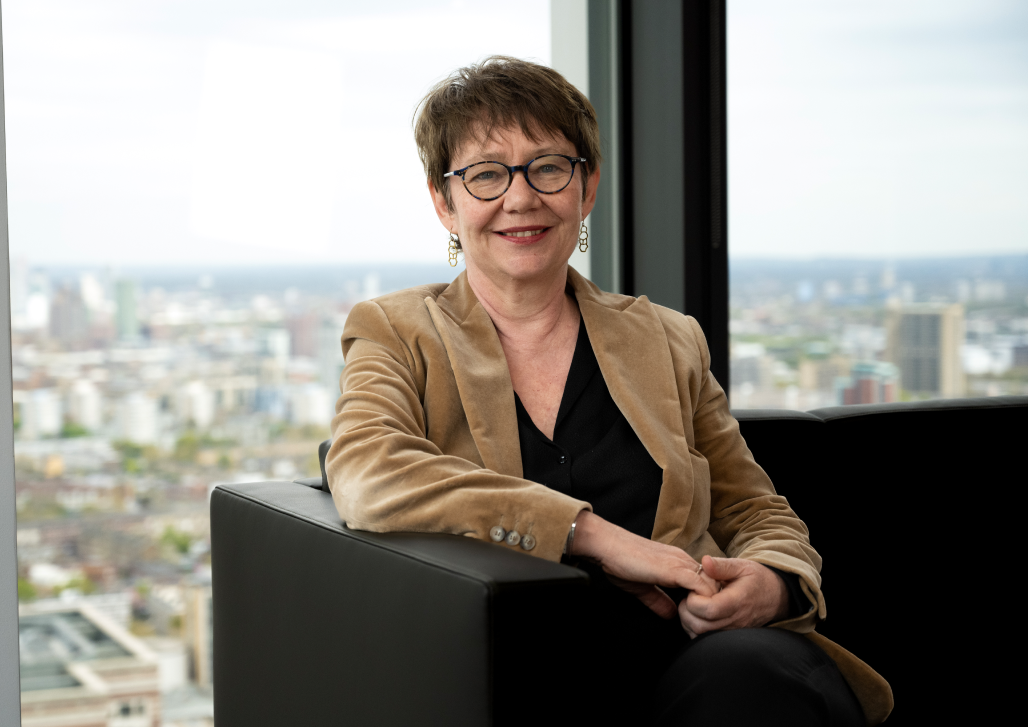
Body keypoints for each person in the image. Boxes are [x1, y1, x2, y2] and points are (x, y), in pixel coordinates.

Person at [327, 56, 892, 725]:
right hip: (527, 669)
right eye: (485, 174)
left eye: (549, 166)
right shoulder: (396, 332)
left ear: (587, 187)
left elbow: (755, 507)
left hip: (701, 657)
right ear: (444, 202)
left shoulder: (668, 337)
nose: (520, 197)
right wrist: (587, 532)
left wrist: (775, 580)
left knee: (746, 679)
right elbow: (366, 469)